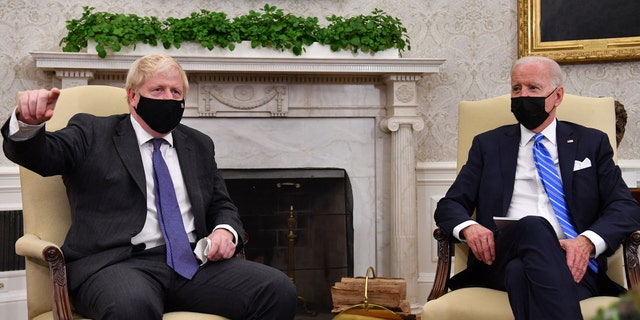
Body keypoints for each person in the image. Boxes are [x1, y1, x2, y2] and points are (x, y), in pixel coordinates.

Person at [2, 54, 297, 319]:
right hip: (116, 266)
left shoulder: (198, 144)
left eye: (175, 92)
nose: (168, 98)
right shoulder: (93, 132)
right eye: (157, 90)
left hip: (192, 265)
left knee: (277, 289)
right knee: (133, 306)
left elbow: (222, 204)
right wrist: (27, 124)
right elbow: (43, 155)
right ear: (132, 97)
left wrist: (225, 230)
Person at [434, 55, 640, 319]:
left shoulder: (591, 143)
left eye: (533, 88)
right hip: (500, 254)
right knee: (532, 224)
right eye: (516, 88)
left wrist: (587, 242)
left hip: (573, 263)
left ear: (557, 96)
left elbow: (624, 206)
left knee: (521, 274)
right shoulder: (488, 145)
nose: (522, 96)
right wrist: (469, 227)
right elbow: (450, 205)